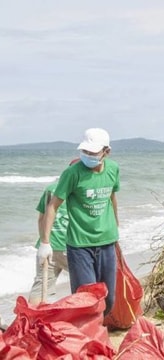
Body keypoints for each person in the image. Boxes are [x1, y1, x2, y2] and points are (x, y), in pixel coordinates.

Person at [39, 128, 120, 315]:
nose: (88, 156)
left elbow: (112, 197)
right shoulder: (72, 173)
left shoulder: (113, 169)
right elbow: (52, 206)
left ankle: (97, 332)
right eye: (85, 152)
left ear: (106, 152)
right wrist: (45, 243)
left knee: (109, 300)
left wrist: (116, 225)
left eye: (93, 153)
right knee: (86, 299)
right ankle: (88, 339)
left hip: (107, 242)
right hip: (80, 246)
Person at [28, 159, 78, 305]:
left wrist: (45, 241)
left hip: (49, 245)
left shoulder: (51, 189)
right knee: (86, 285)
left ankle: (33, 321)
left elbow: (41, 219)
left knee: (42, 286)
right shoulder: (82, 188)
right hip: (73, 246)